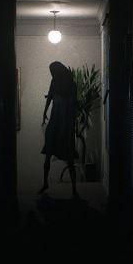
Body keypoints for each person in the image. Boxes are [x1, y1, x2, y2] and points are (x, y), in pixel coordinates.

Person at [39, 61, 79, 198]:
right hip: (56, 122)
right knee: (48, 153)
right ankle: (45, 183)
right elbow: (50, 97)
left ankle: (74, 189)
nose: (52, 74)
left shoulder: (71, 85)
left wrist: (73, 124)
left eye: (53, 72)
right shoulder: (55, 82)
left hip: (65, 124)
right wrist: (44, 112)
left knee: (69, 158)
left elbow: (74, 105)